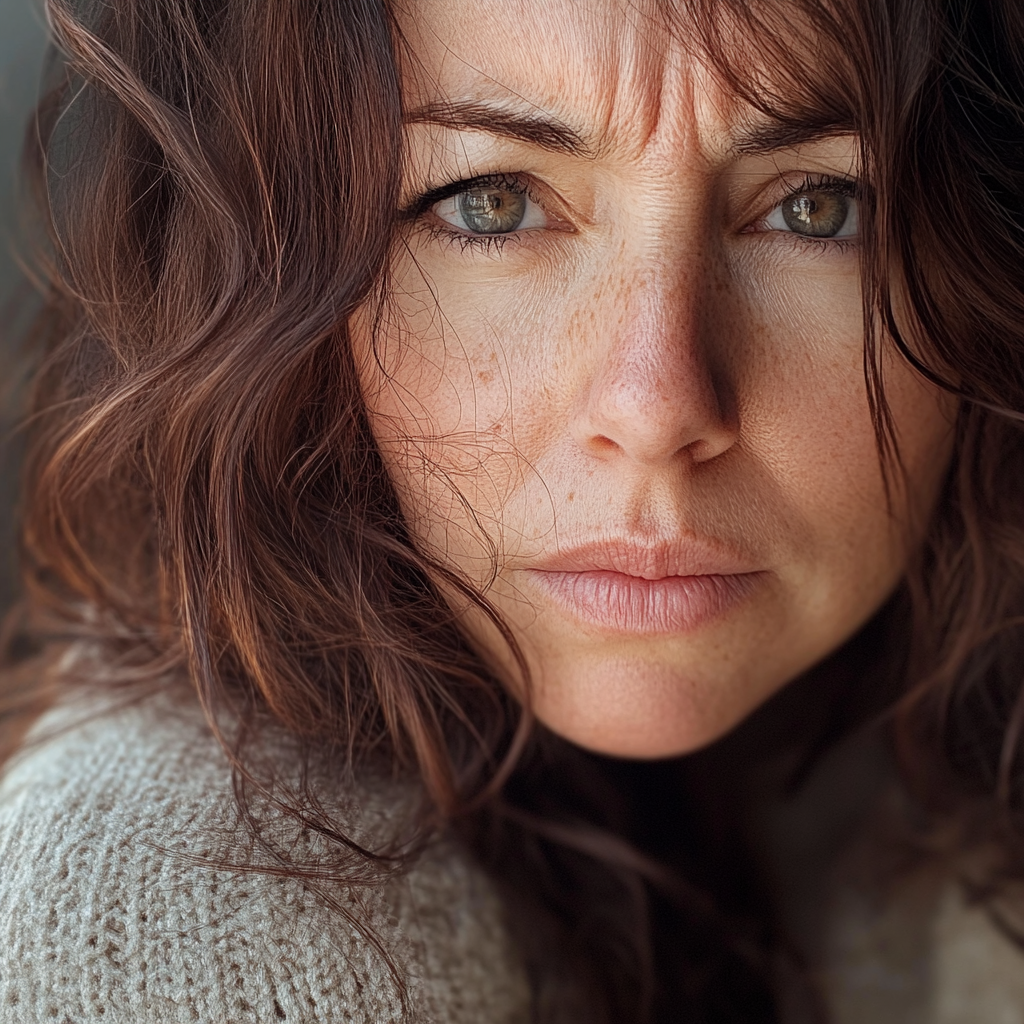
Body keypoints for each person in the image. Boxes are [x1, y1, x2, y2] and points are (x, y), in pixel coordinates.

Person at [1, 0, 1022, 1020]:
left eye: (817, 208)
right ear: (265, 279)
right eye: (490, 203)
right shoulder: (168, 916)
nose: (658, 406)